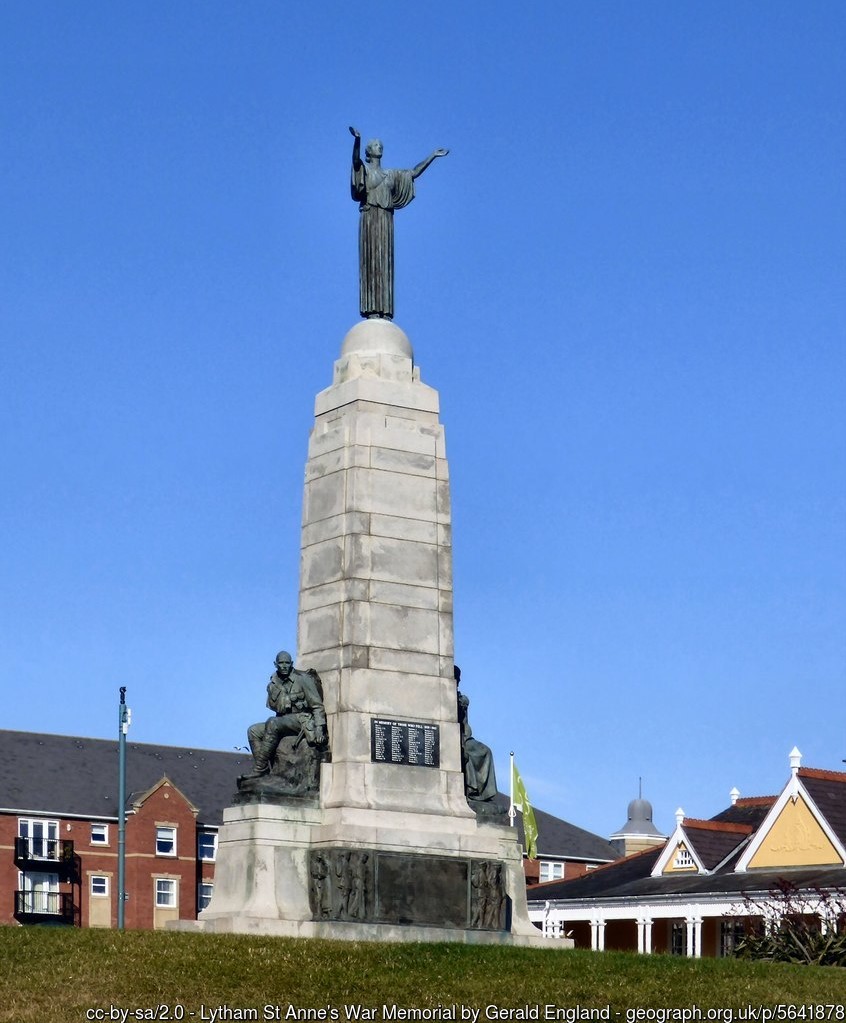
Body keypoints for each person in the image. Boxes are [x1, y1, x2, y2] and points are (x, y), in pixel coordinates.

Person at [349, 126, 448, 320]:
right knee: (370, 261)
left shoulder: (391, 175)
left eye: (380, 145)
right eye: (375, 145)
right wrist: (357, 141)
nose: (379, 147)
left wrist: (432, 156)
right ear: (369, 152)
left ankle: (384, 310)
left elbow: (413, 172)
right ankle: (371, 309)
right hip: (370, 219)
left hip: (386, 220)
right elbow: (355, 162)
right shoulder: (365, 171)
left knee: (384, 261)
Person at [246, 651, 327, 777]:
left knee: (272, 722)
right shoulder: (273, 683)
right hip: (283, 720)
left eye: (287, 663)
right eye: (281, 663)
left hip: (301, 720)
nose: (284, 666)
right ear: (275, 664)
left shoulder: (302, 679)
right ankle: (265, 769)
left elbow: (317, 706)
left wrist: (319, 728)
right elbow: (274, 706)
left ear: (292, 664)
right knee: (253, 731)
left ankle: (259, 769)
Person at [455, 665, 498, 803]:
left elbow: (465, 724)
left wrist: (466, 738)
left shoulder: (462, 700)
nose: (457, 681)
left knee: (486, 751)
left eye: (459, 679)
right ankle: (471, 790)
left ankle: (482, 795)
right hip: (453, 738)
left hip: (464, 737)